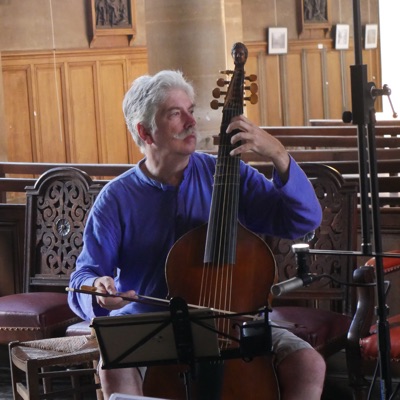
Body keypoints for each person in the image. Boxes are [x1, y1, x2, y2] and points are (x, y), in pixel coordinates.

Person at [68, 66, 326, 399]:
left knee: (308, 363)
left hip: (233, 322)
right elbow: (83, 277)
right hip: (153, 325)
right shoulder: (116, 198)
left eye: (190, 110)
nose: (192, 121)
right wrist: (98, 290)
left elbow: (302, 220)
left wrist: (278, 153)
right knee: (113, 363)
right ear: (145, 132)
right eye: (176, 114)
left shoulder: (227, 174)